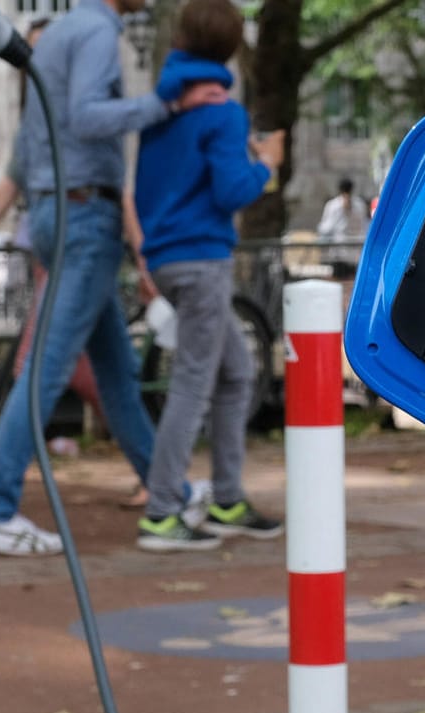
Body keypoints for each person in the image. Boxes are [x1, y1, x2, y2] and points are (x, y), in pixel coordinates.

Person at [0, 0, 226, 556]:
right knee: (49, 366)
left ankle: (172, 492)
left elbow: (21, 163)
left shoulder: (60, 36)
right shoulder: (94, 32)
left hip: (61, 213)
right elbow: (89, 116)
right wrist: (167, 102)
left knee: (116, 373)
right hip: (85, 217)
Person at [131, 0, 286, 552]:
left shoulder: (165, 105)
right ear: (231, 46)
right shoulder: (223, 112)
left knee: (236, 372)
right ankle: (163, 511)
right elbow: (233, 192)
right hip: (203, 258)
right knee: (194, 382)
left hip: (167, 256)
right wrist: (265, 162)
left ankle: (225, 497)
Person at [316, 177, 366, 279]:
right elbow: (365, 225)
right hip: (357, 252)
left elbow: (326, 228)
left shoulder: (333, 205)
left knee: (340, 285)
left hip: (339, 252)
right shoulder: (360, 205)